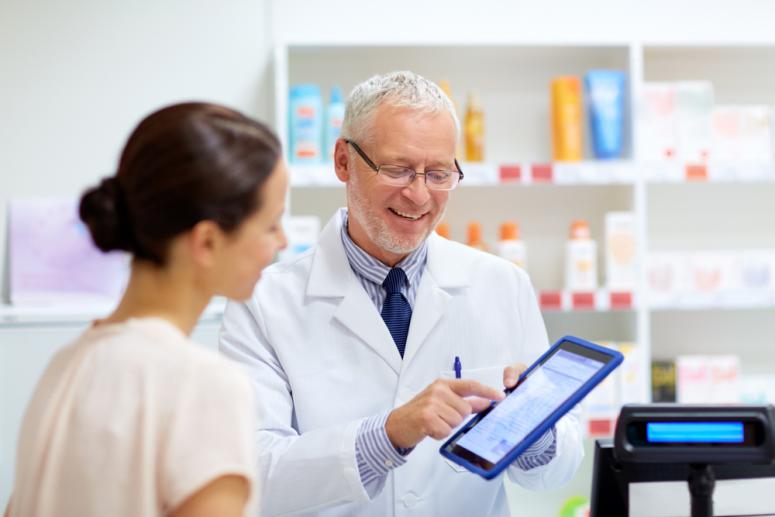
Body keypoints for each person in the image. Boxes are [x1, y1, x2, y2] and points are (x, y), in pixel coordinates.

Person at [219, 71, 583, 516]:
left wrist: (534, 427)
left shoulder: (502, 284)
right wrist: (388, 436)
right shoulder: (263, 301)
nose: (419, 195)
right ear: (343, 161)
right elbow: (253, 472)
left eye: (439, 174)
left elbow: (555, 469)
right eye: (398, 170)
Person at [5, 102, 288, 517]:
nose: (282, 241)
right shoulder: (204, 385)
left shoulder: (64, 367)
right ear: (207, 242)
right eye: (271, 224)